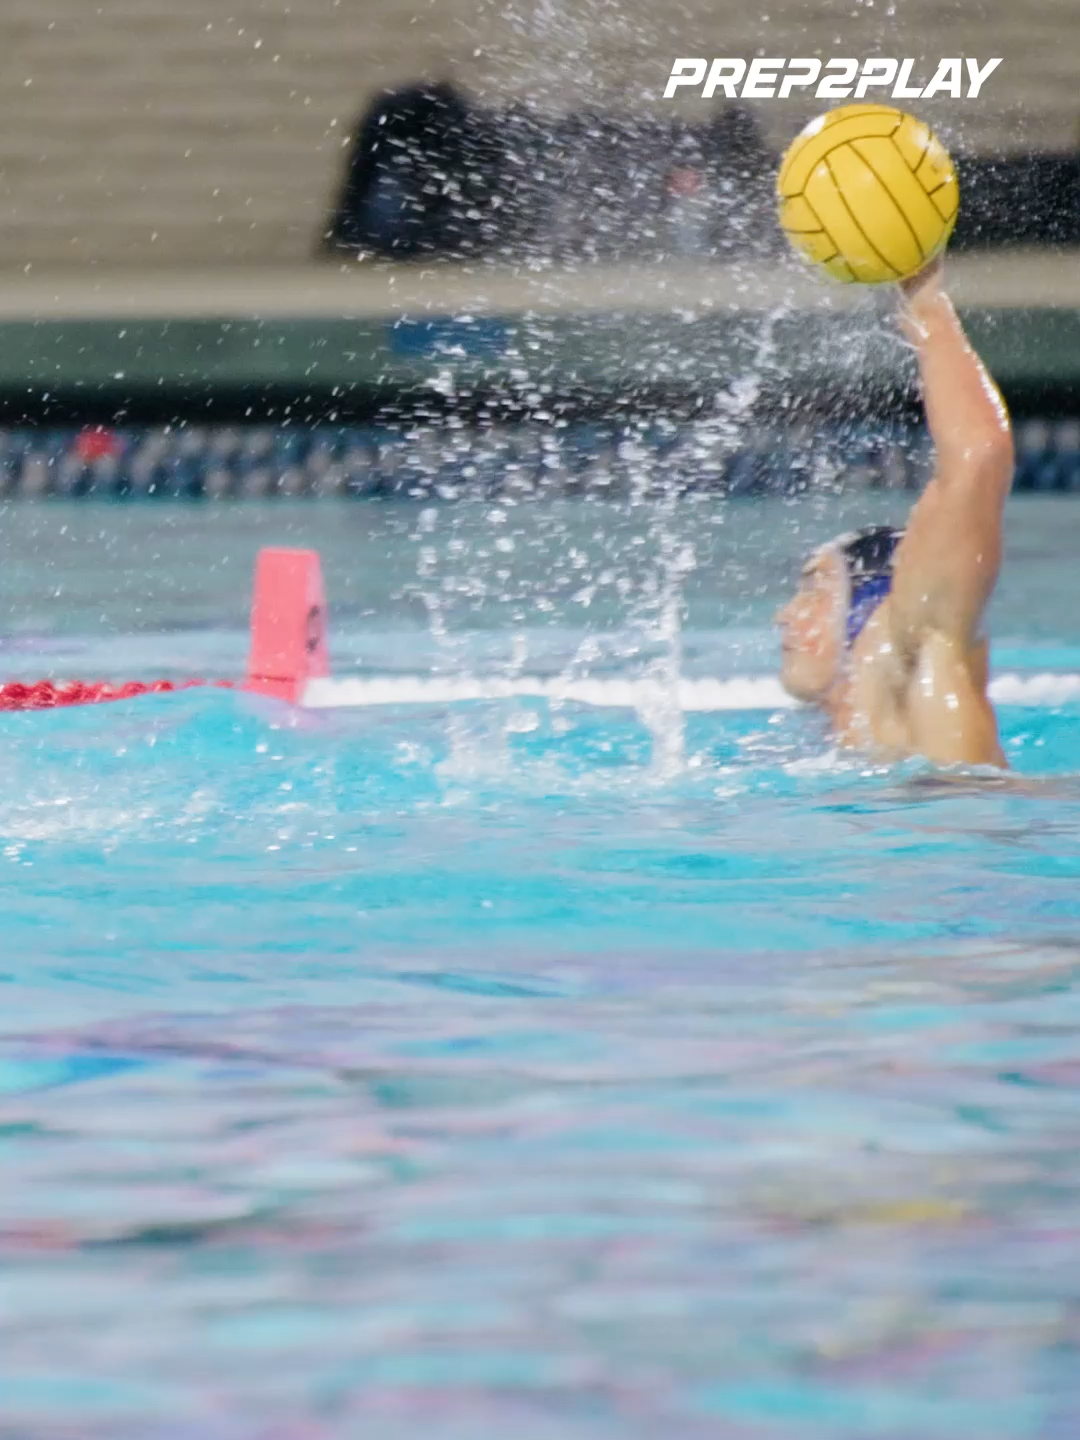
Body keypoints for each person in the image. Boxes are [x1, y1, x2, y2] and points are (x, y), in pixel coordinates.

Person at [776, 256, 1014, 768]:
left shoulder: (913, 648)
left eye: (815, 591)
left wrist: (924, 300)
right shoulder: (850, 750)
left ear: (880, 605)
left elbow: (979, 458)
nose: (786, 617)